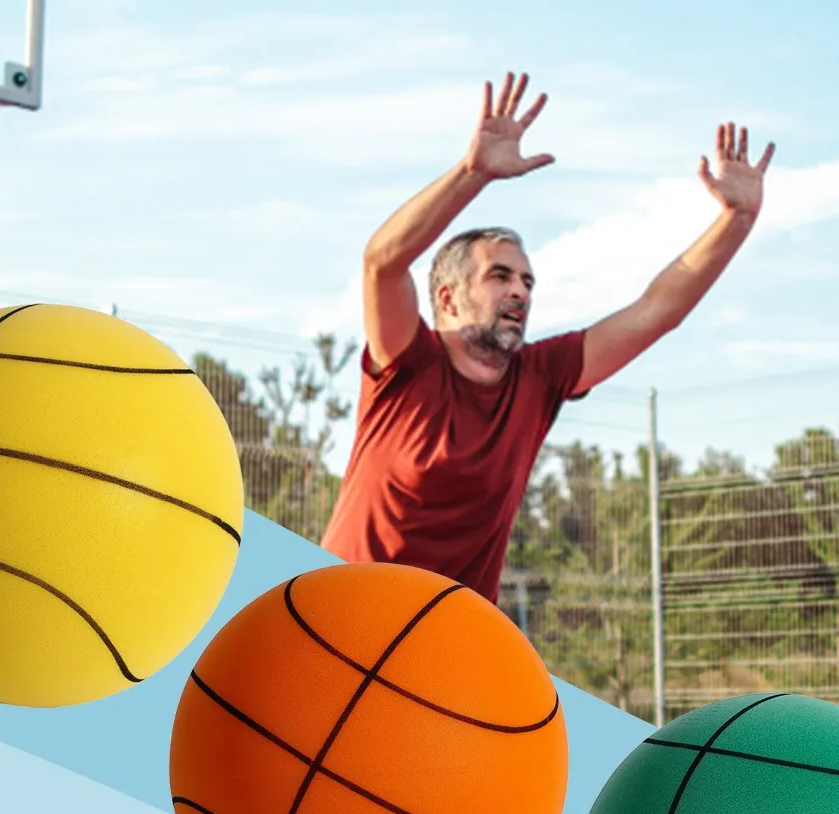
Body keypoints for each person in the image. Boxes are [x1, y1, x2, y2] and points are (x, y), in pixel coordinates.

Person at [322, 70, 773, 613]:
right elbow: (381, 262)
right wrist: (472, 173)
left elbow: (657, 311)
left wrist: (737, 220)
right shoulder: (409, 362)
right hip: (342, 611)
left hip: (443, 639)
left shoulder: (539, 376)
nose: (520, 291)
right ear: (447, 298)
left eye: (527, 281)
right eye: (500, 276)